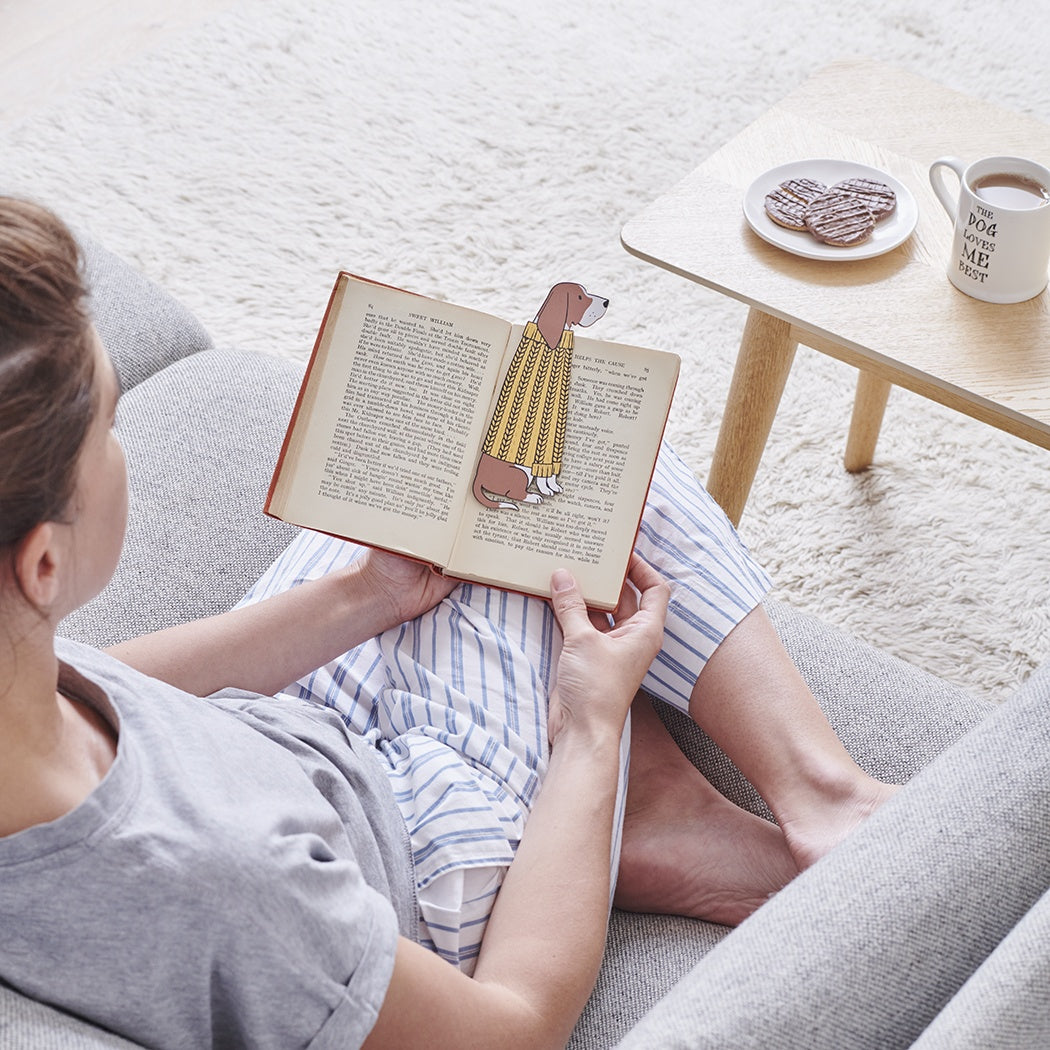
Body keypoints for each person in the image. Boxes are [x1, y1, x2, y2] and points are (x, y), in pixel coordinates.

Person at [0, 196, 893, 1050]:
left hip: (278, 748)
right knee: (577, 453)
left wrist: (364, 597)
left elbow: (106, 680)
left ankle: (647, 803)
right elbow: (509, 1026)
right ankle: (815, 797)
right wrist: (592, 723)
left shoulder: (19, 697)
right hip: (419, 856)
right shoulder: (228, 891)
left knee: (464, 477)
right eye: (110, 426)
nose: (123, 448)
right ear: (43, 563)